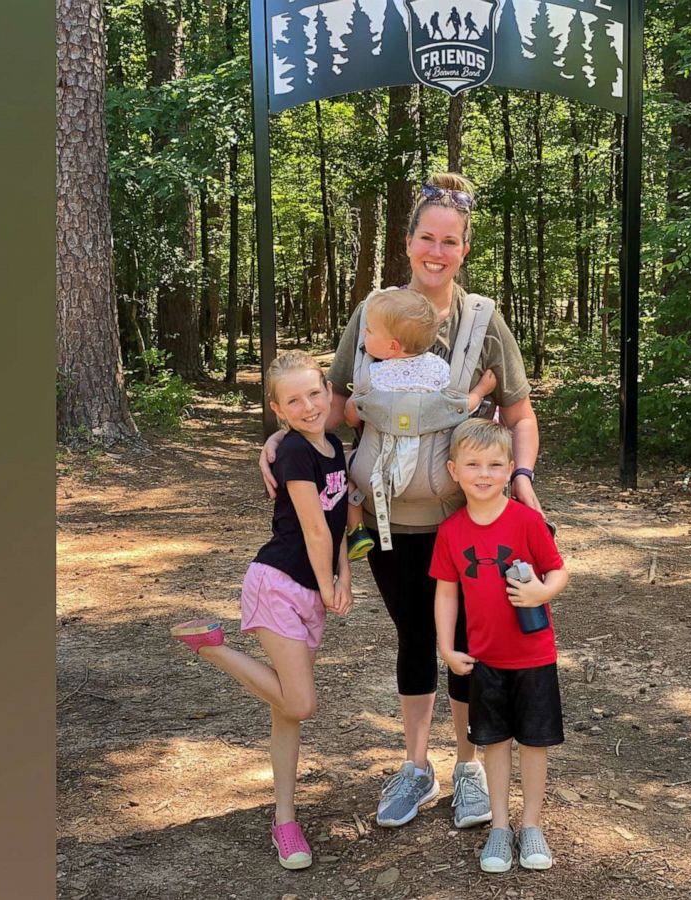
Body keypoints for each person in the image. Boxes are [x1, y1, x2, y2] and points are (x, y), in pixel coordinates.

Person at [260, 172, 543, 833]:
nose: (436, 252)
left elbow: (519, 413)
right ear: (408, 241)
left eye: (450, 241)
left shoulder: (482, 322)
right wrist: (278, 438)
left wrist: (522, 474)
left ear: (464, 248)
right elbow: (330, 404)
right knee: (416, 635)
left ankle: (469, 765)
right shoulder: (373, 314)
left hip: (465, 520)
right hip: (386, 518)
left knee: (470, 639)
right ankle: (417, 765)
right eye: (426, 238)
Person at [173, 350, 354, 871]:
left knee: (285, 713)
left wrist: (343, 574)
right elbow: (313, 525)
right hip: (278, 585)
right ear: (278, 410)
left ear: (327, 391)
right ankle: (209, 645)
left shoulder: (333, 445)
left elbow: (338, 522)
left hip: (310, 591)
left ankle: (284, 819)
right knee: (300, 704)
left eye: (315, 393)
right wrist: (327, 584)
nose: (309, 405)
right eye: (293, 400)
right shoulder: (296, 453)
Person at [433, 419, 569, 873]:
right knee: (494, 743)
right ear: (454, 470)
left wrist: (541, 594)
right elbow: (447, 593)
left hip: (533, 657)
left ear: (511, 469)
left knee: (533, 742)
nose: (484, 474)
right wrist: (446, 647)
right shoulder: (451, 531)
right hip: (485, 658)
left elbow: (557, 570)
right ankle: (499, 826)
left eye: (495, 464)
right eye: (473, 464)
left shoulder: (527, 522)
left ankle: (531, 825)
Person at [340, 287, 498, 560]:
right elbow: (458, 407)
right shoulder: (439, 370)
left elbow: (352, 416)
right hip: (431, 474)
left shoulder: (375, 375)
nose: (364, 335)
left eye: (370, 332)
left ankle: (355, 527)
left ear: (392, 347)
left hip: (381, 475)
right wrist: (482, 391)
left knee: (341, 467)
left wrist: (352, 407)